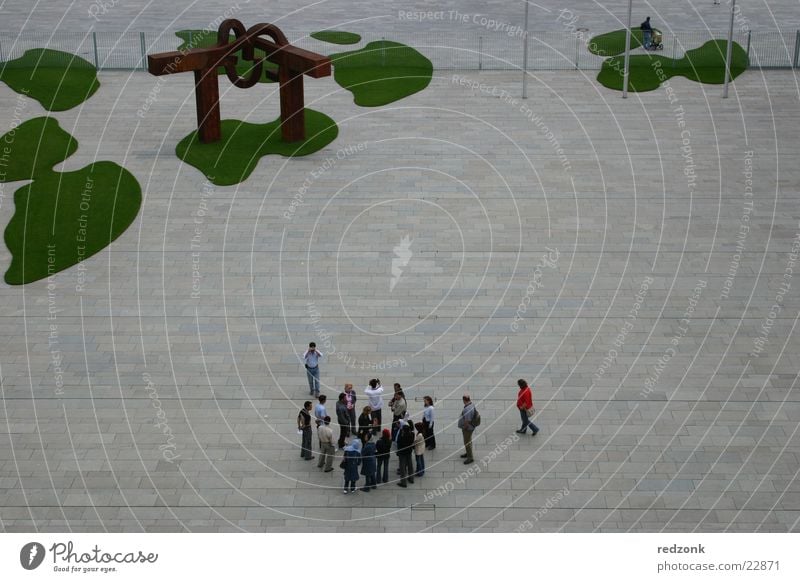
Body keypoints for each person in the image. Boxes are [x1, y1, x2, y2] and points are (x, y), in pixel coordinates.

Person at [457, 395, 476, 465]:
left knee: (467, 442)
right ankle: (468, 453)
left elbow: (467, 420)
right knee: (469, 441)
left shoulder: (467, 409)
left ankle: (470, 457)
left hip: (468, 428)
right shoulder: (472, 404)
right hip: (471, 427)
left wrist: (464, 427)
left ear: (464, 400)